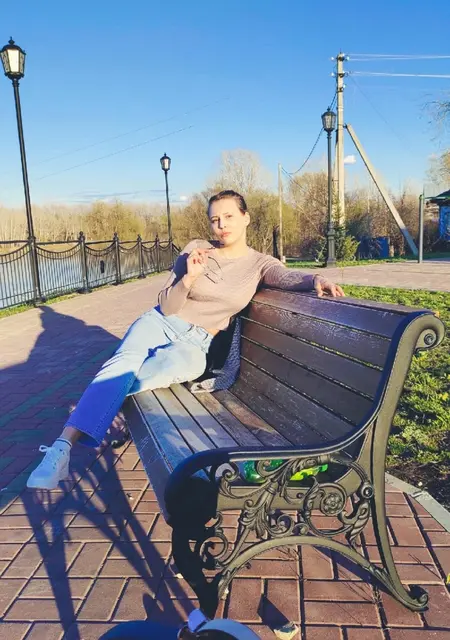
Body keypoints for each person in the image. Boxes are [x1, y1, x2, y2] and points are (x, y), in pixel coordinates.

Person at [27, 190, 344, 490]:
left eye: (229, 217)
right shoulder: (196, 248)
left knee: (135, 376)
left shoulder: (260, 264)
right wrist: (189, 278)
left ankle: (106, 410)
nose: (221, 225)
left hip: (197, 343)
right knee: (122, 365)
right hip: (160, 323)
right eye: (215, 219)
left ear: (246, 218)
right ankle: (61, 448)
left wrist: (316, 278)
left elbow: (286, 277)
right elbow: (167, 305)